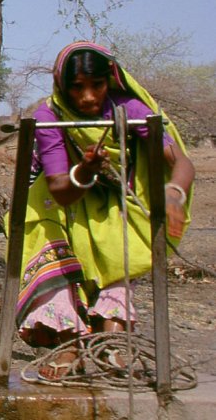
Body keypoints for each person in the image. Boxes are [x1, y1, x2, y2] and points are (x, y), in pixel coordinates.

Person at [16, 41, 194, 380]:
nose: (87, 97)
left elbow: (181, 161)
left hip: (108, 202)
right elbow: (60, 190)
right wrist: (86, 170)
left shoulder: (129, 109)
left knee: (119, 252)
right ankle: (67, 343)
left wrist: (174, 193)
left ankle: (109, 340)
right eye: (77, 87)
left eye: (95, 86)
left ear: (109, 81)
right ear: (62, 86)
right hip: (56, 204)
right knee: (59, 262)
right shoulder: (49, 117)